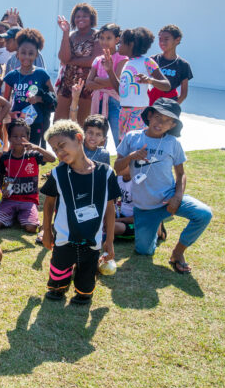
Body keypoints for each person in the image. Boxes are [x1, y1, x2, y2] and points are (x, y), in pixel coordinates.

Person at [115, 98, 212, 274]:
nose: (161, 123)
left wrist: (177, 197)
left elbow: (181, 174)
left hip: (168, 199)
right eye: (158, 117)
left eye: (168, 120)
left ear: (173, 124)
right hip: (144, 207)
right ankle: (157, 225)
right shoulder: (132, 137)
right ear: (150, 115)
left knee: (204, 214)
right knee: (144, 251)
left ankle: (178, 254)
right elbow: (117, 168)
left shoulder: (173, 143)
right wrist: (131, 157)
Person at [41, 120, 119, 305]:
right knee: (58, 270)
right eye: (55, 149)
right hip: (64, 236)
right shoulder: (58, 174)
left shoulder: (106, 173)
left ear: (78, 138)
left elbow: (110, 208)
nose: (59, 153)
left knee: (86, 276)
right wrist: (46, 231)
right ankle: (59, 286)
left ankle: (83, 291)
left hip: (92, 238)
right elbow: (48, 204)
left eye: (62, 146)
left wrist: (109, 241)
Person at [0, 119, 55, 234]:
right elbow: (0, 176)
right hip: (9, 199)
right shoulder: (5, 157)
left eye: (22, 136)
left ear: (28, 138)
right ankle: (13, 215)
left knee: (31, 228)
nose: (19, 139)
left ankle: (21, 216)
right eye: (15, 136)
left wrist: (37, 148)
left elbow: (52, 159)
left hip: (28, 201)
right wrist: (0, 190)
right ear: (9, 138)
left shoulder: (33, 155)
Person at [106, 28, 171, 142]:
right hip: (124, 112)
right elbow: (121, 93)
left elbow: (166, 85)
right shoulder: (127, 63)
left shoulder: (147, 61)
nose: (118, 45)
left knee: (136, 148)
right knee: (123, 149)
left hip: (138, 113)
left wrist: (150, 81)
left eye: (121, 42)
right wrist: (110, 71)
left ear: (130, 44)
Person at [2, 29, 55, 148]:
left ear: (36, 55)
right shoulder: (11, 76)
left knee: (32, 151)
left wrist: (38, 99)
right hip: (16, 122)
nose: (26, 57)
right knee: (16, 151)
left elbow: (53, 97)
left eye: (31, 53)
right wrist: (9, 113)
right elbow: (5, 101)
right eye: (23, 53)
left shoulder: (42, 74)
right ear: (17, 54)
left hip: (36, 121)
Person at [55, 3, 103, 123]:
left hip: (87, 86)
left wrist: (71, 61)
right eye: (77, 16)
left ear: (91, 18)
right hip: (67, 85)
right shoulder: (71, 36)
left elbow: (94, 61)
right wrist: (65, 34)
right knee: (59, 122)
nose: (81, 19)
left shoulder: (97, 35)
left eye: (85, 16)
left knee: (82, 123)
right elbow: (63, 58)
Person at [85, 23, 126, 144]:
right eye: (102, 38)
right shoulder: (98, 60)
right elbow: (88, 83)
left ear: (117, 40)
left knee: (119, 137)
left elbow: (115, 81)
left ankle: (122, 162)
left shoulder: (122, 58)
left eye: (109, 38)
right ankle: (99, 161)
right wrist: (106, 82)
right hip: (98, 100)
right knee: (98, 138)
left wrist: (97, 79)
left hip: (115, 101)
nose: (104, 41)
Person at [149, 25, 193, 105]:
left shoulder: (183, 65)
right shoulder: (153, 60)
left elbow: (184, 93)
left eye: (166, 39)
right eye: (160, 39)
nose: (162, 42)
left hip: (169, 102)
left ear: (177, 40)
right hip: (151, 100)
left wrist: (172, 107)